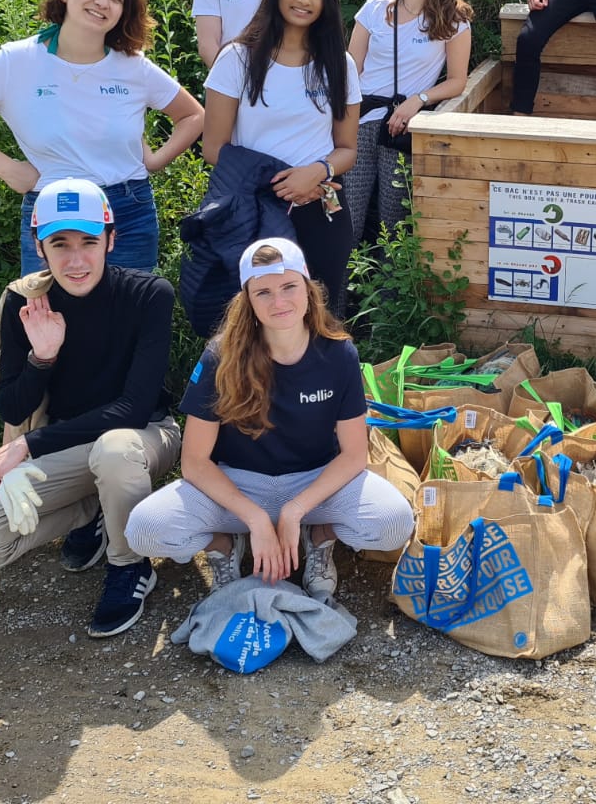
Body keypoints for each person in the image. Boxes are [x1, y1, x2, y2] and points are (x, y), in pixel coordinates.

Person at [0, 178, 182, 639]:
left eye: (88, 242)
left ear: (110, 240)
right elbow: (13, 405)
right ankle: (92, 509)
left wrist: (28, 447)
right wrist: (42, 358)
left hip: (146, 438)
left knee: (114, 452)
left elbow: (134, 409)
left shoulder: (149, 295)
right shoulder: (24, 301)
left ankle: (129, 566)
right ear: (40, 247)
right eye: (60, 243)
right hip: (71, 448)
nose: (76, 259)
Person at [125, 238, 416, 598]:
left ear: (308, 290)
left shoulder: (339, 353)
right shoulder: (221, 356)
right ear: (247, 300)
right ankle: (223, 545)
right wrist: (255, 518)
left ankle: (319, 535)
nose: (278, 302)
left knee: (395, 523)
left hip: (314, 484)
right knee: (143, 530)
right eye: (263, 292)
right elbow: (195, 462)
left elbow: (355, 454)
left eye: (289, 286)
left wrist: (295, 511)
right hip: (238, 484)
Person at [0, 0, 204, 274]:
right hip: (53, 211)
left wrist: (156, 160)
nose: (103, 2)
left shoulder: (133, 66)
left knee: (129, 319)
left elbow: (193, 115)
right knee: (48, 317)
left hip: (128, 211)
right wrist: (7, 169)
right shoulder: (16, 61)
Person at [201, 0, 361, 310]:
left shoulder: (339, 64)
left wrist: (315, 174)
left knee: (320, 319)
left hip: (321, 207)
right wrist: (281, 183)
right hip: (253, 210)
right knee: (259, 321)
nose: (305, 0)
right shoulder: (237, 59)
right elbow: (214, 147)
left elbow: (347, 147)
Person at [341, 0, 473, 244]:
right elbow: (350, 70)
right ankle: (338, 294)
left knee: (395, 219)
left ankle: (392, 293)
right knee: (347, 217)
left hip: (402, 127)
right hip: (359, 122)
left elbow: (457, 80)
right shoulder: (374, 9)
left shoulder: (452, 20)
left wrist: (419, 99)